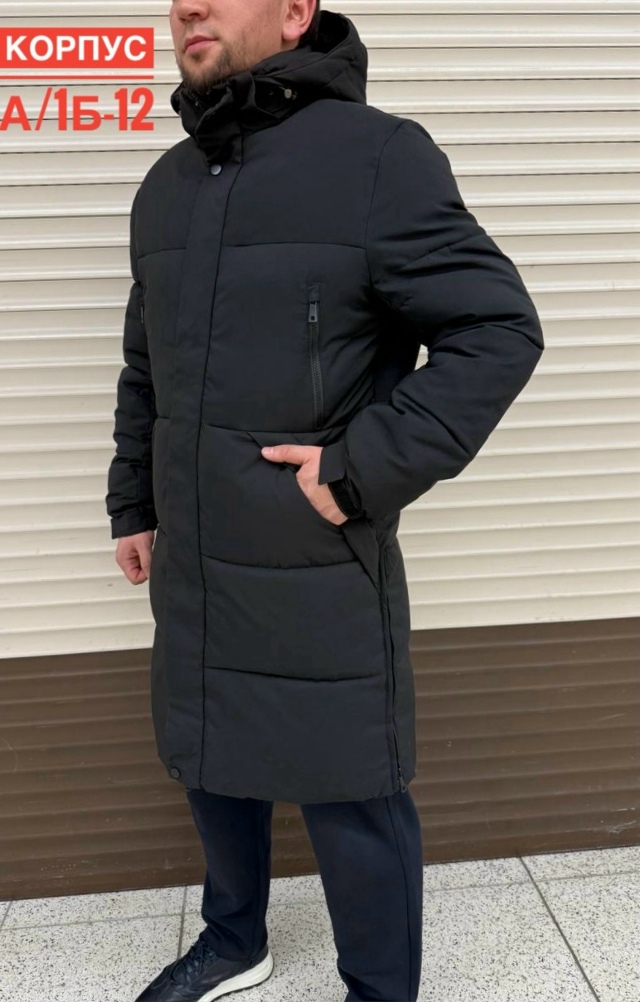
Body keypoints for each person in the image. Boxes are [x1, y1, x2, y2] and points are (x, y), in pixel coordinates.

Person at [105, 2, 544, 1000]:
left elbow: (495, 330)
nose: (188, 7)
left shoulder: (377, 158)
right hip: (195, 550)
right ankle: (235, 939)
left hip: (314, 553)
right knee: (210, 751)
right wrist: (133, 502)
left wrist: (356, 472)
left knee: (351, 786)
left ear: (296, 12)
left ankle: (380, 990)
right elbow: (145, 369)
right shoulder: (167, 186)